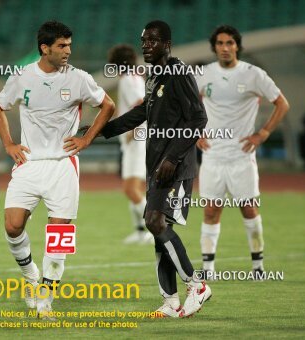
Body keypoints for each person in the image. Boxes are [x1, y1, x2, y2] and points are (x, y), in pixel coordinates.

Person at [0, 21, 115, 318]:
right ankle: (31, 276)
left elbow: (108, 105)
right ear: (44, 48)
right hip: (29, 163)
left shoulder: (79, 79)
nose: (67, 51)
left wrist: (87, 139)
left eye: (69, 45)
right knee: (12, 225)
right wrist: (9, 144)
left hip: (63, 165)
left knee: (59, 234)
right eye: (61, 46)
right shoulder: (22, 77)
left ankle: (45, 299)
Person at [98, 20, 210, 318]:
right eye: (144, 40)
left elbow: (198, 119)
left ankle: (196, 285)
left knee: (155, 221)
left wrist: (172, 158)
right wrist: (102, 130)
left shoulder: (178, 71)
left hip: (175, 166)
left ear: (167, 44)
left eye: (153, 40)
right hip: (156, 165)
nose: (146, 45)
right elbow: (141, 112)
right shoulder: (154, 74)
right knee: (159, 226)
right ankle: (171, 301)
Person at [195, 25, 289, 277]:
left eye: (230, 43)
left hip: (241, 156)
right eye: (220, 43)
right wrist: (194, 133)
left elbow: (282, 103)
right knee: (211, 210)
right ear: (214, 47)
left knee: (248, 208)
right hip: (212, 155)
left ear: (237, 46)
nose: (225, 48)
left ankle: (258, 266)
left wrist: (263, 133)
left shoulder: (253, 74)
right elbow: (187, 106)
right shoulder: (203, 74)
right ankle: (208, 268)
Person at [107, 44, 154, 245]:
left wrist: (133, 131)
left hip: (136, 140)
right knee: (131, 189)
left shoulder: (128, 80)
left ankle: (155, 228)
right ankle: (140, 230)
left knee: (131, 189)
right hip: (134, 140)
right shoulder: (134, 78)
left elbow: (142, 105)